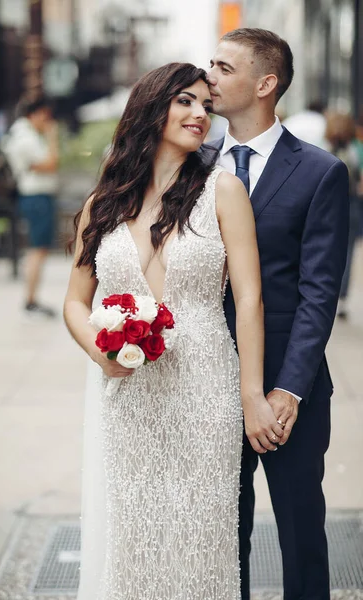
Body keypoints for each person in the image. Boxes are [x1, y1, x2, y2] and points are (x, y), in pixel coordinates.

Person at [64, 62, 275, 599]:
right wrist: (100, 351)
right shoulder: (103, 204)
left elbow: (249, 298)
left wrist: (252, 395)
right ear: (151, 106)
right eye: (185, 101)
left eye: (205, 104)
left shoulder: (224, 191)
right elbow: (74, 302)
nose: (199, 113)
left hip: (206, 387)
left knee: (203, 536)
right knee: (134, 535)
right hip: (129, 394)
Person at [208, 28, 349, 600]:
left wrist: (287, 392)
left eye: (223, 67)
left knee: (300, 535)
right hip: (207, 382)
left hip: (288, 391)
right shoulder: (189, 166)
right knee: (219, 536)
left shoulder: (320, 172)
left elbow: (320, 293)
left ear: (265, 84)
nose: (208, 76)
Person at [3, 96, 59, 317]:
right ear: (34, 114)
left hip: (35, 197)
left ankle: (31, 299)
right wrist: (52, 136)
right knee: (37, 249)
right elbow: (51, 162)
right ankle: (30, 300)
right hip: (36, 197)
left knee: (38, 249)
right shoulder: (26, 138)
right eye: (45, 116)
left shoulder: (23, 134)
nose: (47, 121)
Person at [325, 111, 363, 319]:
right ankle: (343, 299)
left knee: (325, 250)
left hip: (329, 206)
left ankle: (329, 293)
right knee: (347, 254)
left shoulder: (323, 149)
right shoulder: (357, 149)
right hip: (351, 205)